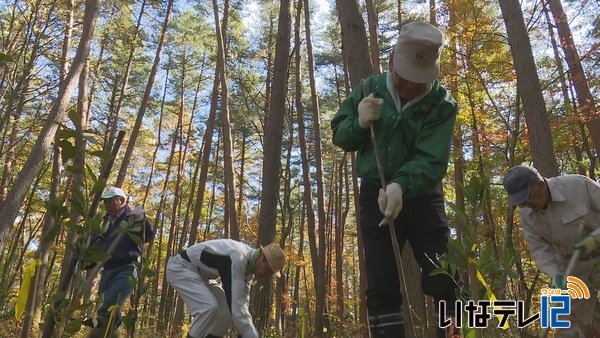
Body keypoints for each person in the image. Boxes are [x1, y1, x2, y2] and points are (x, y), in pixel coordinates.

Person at [331, 21, 461, 338]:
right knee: (381, 278)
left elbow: (431, 158)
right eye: (405, 80)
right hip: (374, 193)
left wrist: (401, 183)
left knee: (442, 271)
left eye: (419, 83)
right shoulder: (367, 89)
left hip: (422, 194)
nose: (411, 87)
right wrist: (359, 122)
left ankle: (452, 332)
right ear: (391, 64)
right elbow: (341, 136)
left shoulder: (442, 105)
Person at [503, 165, 600, 338]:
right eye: (522, 203)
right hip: (573, 266)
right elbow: (539, 249)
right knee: (566, 322)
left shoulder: (577, 186)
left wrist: (595, 239)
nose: (528, 205)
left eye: (528, 198)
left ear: (541, 185)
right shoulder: (526, 213)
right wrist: (555, 274)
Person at [166, 239, 286, 338]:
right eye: (269, 270)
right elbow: (236, 303)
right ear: (261, 256)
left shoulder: (248, 269)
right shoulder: (238, 258)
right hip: (180, 268)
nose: (268, 275)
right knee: (208, 307)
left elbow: (242, 302)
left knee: (227, 311)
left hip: (201, 277)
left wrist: (242, 333)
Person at [84, 186, 155, 338]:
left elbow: (148, 236)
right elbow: (96, 244)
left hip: (127, 268)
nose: (107, 205)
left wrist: (143, 221)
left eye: (111, 201)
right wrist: (86, 263)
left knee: (109, 305)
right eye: (106, 202)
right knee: (109, 311)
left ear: (122, 201)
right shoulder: (105, 223)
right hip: (107, 269)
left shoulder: (133, 218)